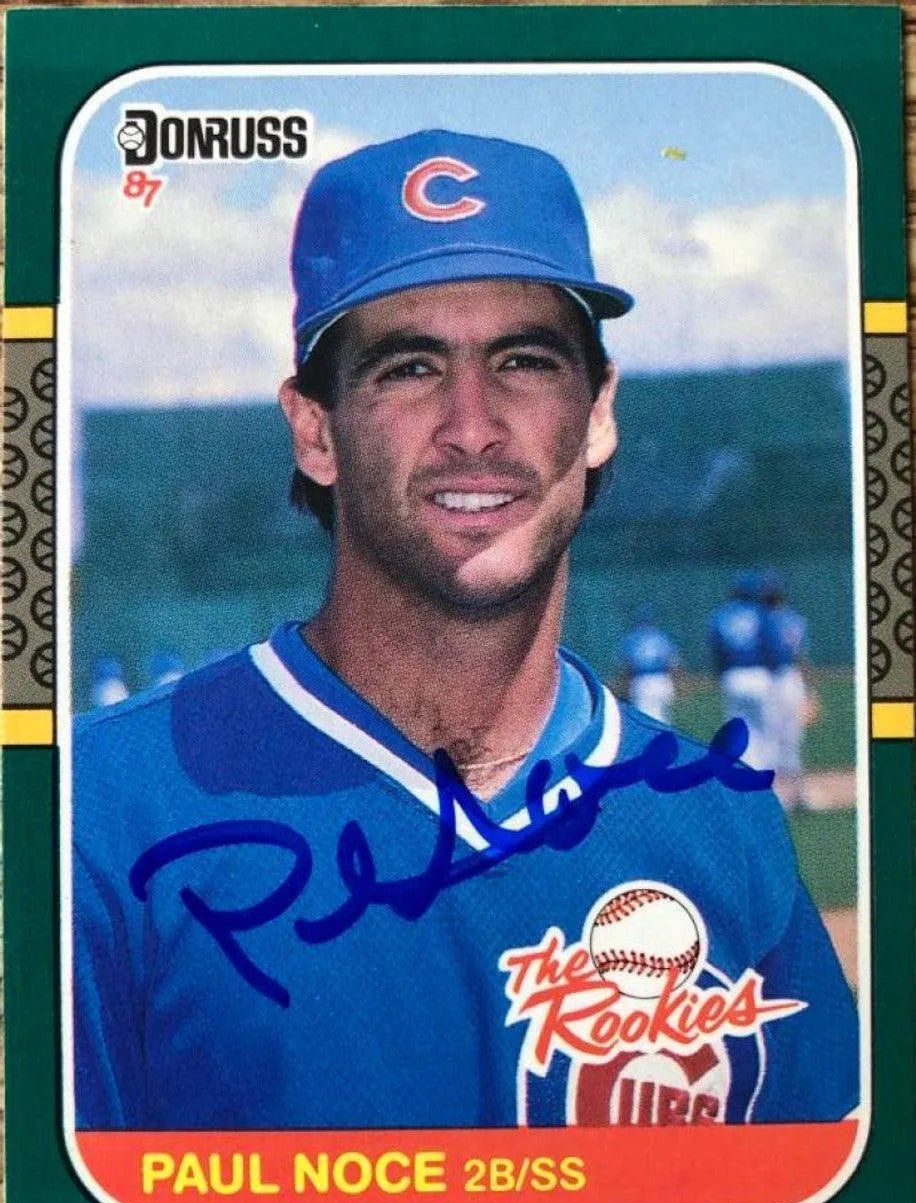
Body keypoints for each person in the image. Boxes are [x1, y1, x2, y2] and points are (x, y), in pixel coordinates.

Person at [73, 130, 858, 1133]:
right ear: (315, 431)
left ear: (599, 413)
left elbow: (827, 1200)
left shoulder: (723, 825)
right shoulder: (100, 812)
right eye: (409, 367)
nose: (473, 425)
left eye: (524, 360)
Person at [759, 570, 813, 810]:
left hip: (772, 680)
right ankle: (797, 794)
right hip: (791, 680)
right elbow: (803, 657)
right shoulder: (795, 619)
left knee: (771, 738)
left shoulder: (760, 620)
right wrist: (810, 690)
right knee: (789, 738)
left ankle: (780, 794)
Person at [707, 571, 772, 770]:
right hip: (759, 674)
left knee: (737, 730)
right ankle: (765, 772)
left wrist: (720, 675)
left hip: (733, 676)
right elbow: (771, 644)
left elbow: (716, 649)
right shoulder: (762, 612)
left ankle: (743, 771)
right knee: (765, 728)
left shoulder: (720, 615)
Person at [618, 610, 679, 724]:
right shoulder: (661, 636)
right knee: (664, 720)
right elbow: (673, 662)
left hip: (642, 681)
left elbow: (627, 666)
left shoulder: (633, 638)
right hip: (662, 680)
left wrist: (624, 686)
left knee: (646, 721)